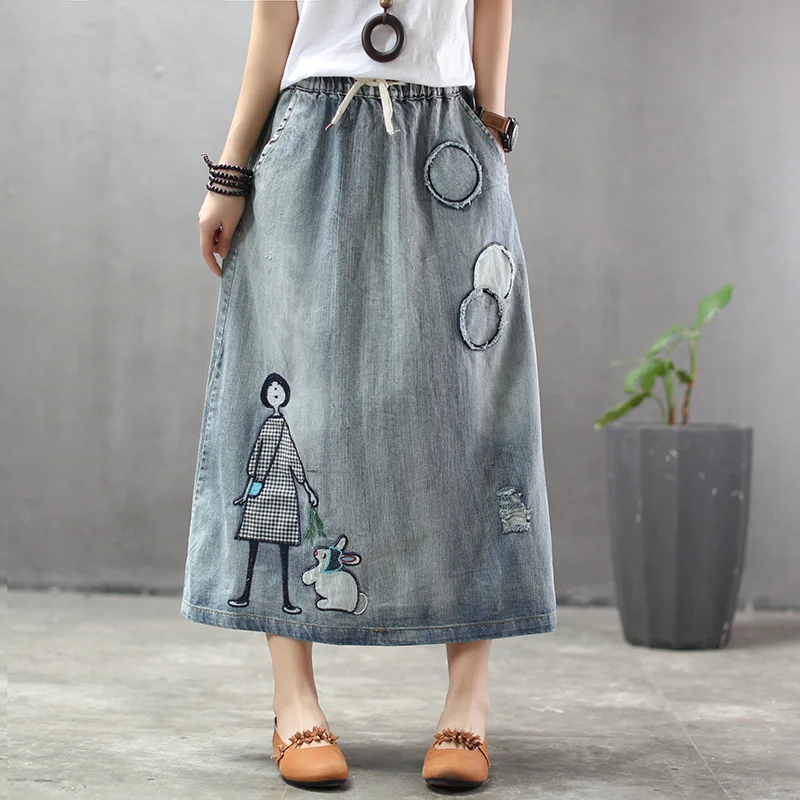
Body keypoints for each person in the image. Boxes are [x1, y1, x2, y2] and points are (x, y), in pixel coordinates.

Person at [182, 0, 556, 790]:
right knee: (293, 410)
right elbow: (275, 22)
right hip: (310, 142)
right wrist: (231, 172)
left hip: (447, 141)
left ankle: (468, 701)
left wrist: (488, 125)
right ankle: (294, 702)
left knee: (468, 414)